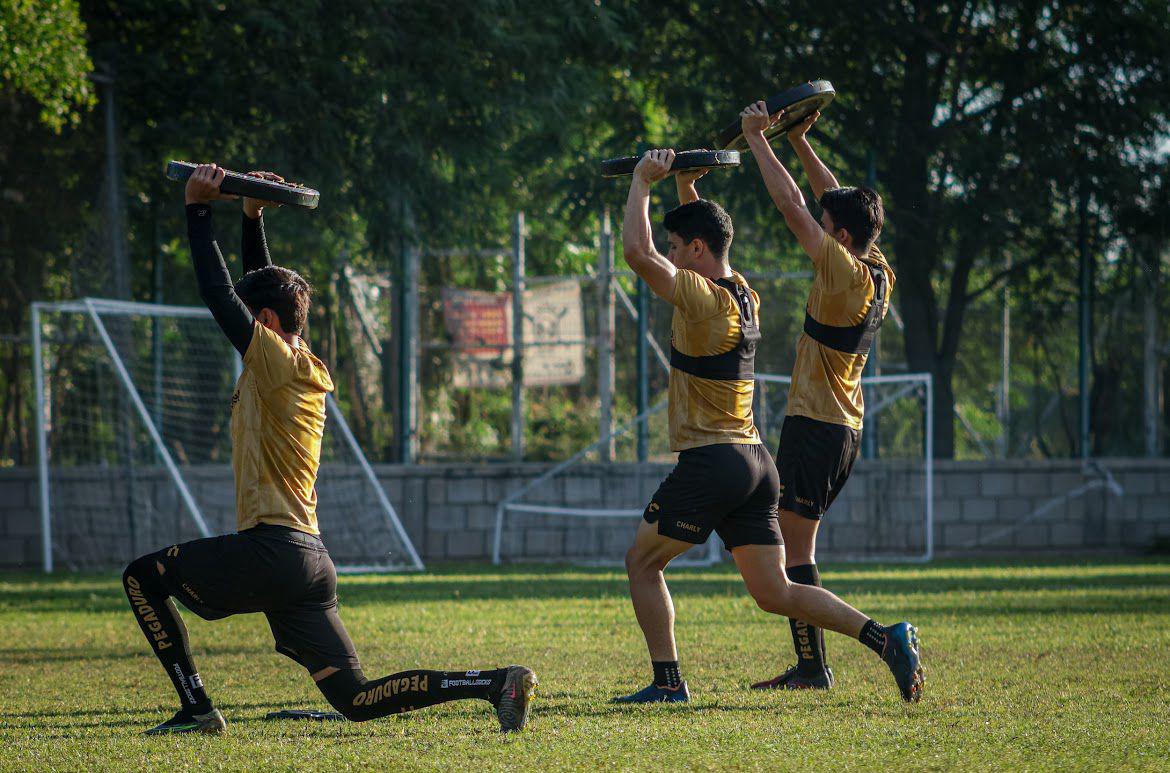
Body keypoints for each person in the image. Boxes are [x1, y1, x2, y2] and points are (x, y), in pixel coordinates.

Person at [122, 164, 537, 734]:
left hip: (271, 551)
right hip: (309, 562)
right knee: (356, 698)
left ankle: (196, 707)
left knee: (142, 577)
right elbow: (256, 290)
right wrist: (250, 215)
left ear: (265, 324)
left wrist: (197, 209)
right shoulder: (296, 361)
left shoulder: (272, 360)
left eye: (253, 322)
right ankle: (496, 683)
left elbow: (221, 295)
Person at [611, 148, 923, 705]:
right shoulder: (743, 294)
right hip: (757, 465)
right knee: (776, 590)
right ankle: (883, 637)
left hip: (715, 461)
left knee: (642, 561)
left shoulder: (704, 300)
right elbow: (709, 244)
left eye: (678, 249)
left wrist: (642, 182)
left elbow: (637, 251)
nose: (672, 257)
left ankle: (667, 683)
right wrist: (687, 190)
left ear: (698, 251)